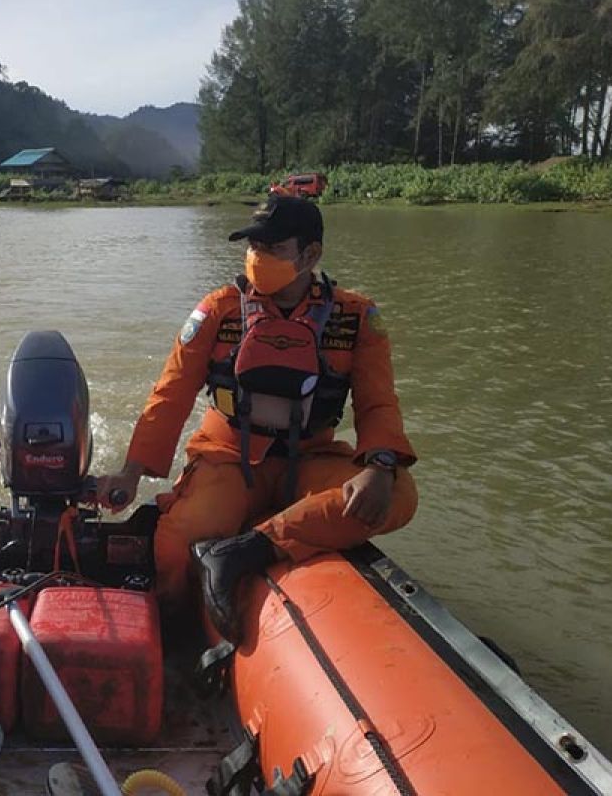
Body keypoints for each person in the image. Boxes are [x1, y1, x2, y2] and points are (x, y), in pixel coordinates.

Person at [96, 196, 418, 640]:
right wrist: (132, 472)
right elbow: (171, 393)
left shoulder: (356, 317)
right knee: (175, 540)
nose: (257, 258)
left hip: (310, 455)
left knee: (399, 493)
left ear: (311, 255)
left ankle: (247, 550)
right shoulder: (219, 310)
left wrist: (381, 464)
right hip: (228, 457)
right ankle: (175, 630)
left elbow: (378, 402)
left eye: (272, 248)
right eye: (252, 247)